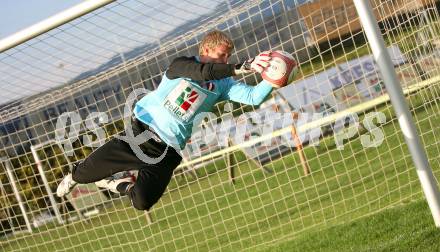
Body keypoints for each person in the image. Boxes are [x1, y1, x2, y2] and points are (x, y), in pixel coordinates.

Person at [56, 30, 278, 211]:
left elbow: (253, 97)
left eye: (228, 57)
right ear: (206, 50)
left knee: (142, 203)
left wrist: (276, 73)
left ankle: (116, 184)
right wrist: (242, 66)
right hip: (141, 135)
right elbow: (205, 71)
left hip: (167, 152)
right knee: (83, 175)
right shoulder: (180, 66)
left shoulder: (224, 84)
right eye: (222, 55)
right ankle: (75, 174)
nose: (226, 61)